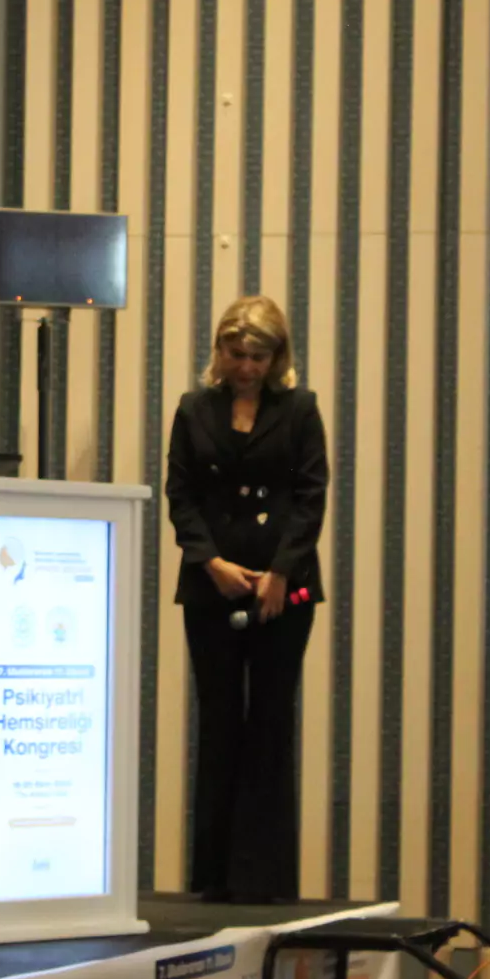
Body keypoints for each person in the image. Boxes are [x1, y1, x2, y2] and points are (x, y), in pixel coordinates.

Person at [166, 294, 328, 903]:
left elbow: (311, 495)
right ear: (220, 351)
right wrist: (210, 563)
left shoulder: (300, 409)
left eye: (258, 357)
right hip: (211, 585)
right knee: (218, 722)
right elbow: (180, 494)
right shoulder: (194, 409)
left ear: (276, 356)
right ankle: (213, 877)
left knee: (270, 722)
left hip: (283, 588)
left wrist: (281, 572)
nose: (247, 367)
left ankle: (265, 878)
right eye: (236, 354)